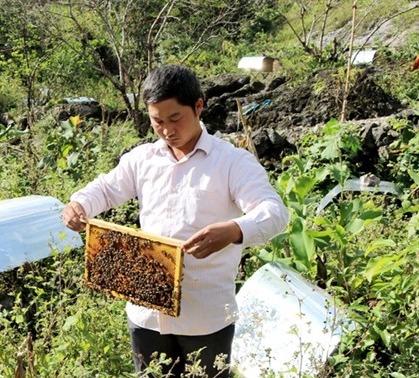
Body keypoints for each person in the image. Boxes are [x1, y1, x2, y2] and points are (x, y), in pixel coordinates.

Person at [63, 64, 289, 377]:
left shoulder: (232, 162)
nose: (167, 130)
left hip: (205, 316)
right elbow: (106, 188)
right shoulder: (142, 159)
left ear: (198, 106)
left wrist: (235, 229)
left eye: (175, 118)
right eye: (157, 121)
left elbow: (274, 212)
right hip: (146, 312)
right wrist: (79, 203)